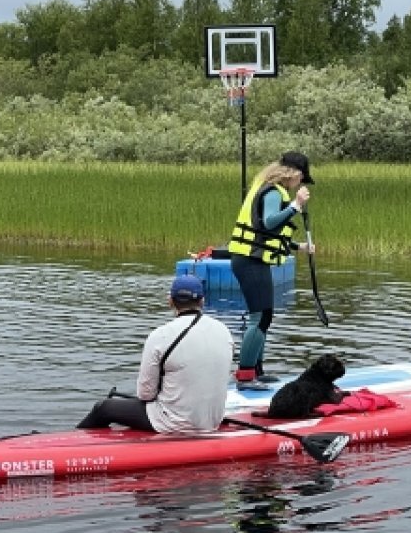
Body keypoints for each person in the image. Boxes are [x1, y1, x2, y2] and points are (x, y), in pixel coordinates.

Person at [77, 275, 233, 432]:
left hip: (173, 422)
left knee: (104, 408)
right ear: (202, 301)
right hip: (212, 420)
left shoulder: (161, 335)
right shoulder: (224, 331)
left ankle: (71, 445)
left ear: (170, 301)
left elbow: (145, 394)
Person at [227, 151, 314, 391]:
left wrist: (299, 246)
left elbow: (265, 233)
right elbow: (268, 222)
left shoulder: (267, 188)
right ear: (294, 174)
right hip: (250, 261)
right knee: (261, 317)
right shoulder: (274, 191)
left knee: (263, 317)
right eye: (302, 178)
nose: (301, 183)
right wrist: (296, 205)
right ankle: (245, 376)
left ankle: (256, 370)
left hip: (251, 259)